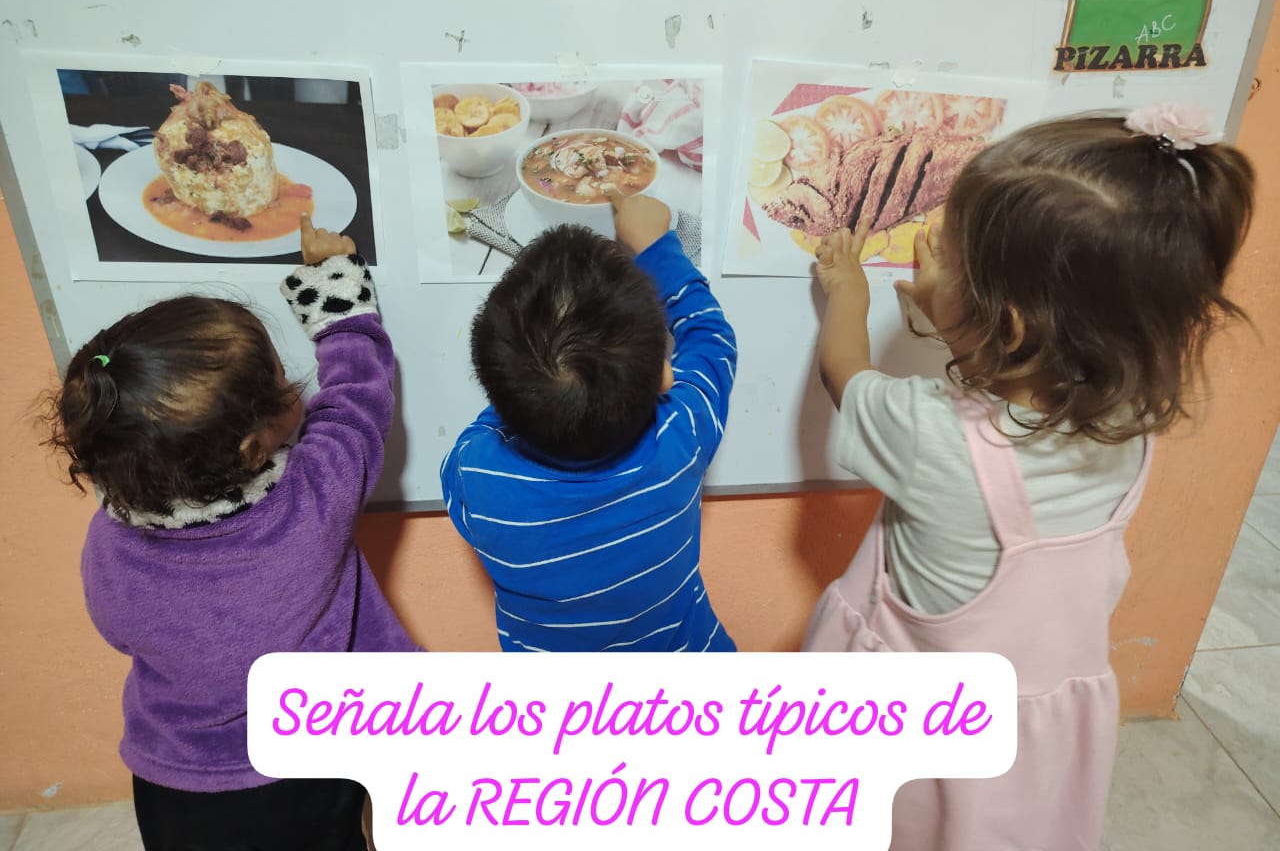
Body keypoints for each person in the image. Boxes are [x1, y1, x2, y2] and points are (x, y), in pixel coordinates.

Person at [803, 105, 1255, 850]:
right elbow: (1029, 371)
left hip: (918, 729)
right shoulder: (1131, 417)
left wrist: (847, 292)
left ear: (1007, 326)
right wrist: (959, 313)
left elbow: (843, 371)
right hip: (1029, 737)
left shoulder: (932, 435)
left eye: (952, 264)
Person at [45, 212, 417, 851]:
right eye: (280, 379)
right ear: (251, 447)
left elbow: (116, 631)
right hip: (302, 771)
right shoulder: (314, 496)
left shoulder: (111, 539)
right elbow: (358, 399)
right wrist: (336, 286)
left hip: (175, 783)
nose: (290, 384)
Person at [442, 193, 737, 652]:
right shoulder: (681, 435)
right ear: (665, 377)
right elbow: (711, 339)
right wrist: (657, 247)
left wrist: (524, 393)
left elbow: (489, 427)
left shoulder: (474, 472)